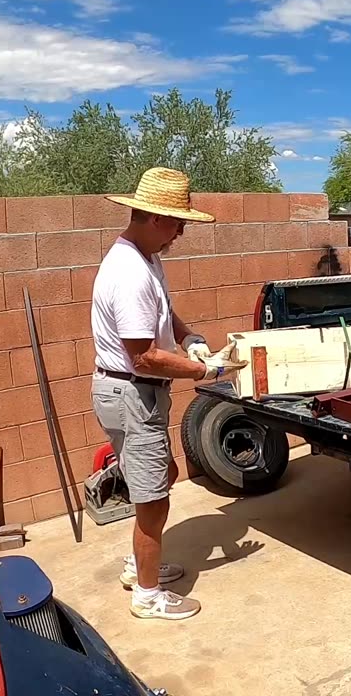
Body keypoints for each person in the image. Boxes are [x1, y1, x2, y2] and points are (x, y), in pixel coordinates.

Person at [89, 167, 246, 620]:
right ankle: (148, 594)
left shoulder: (145, 257)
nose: (181, 232)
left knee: (159, 476)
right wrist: (204, 367)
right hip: (133, 392)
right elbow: (143, 356)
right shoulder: (130, 273)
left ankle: (139, 565)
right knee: (155, 497)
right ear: (157, 218)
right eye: (179, 224)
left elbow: (165, 314)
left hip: (133, 395)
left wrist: (189, 336)